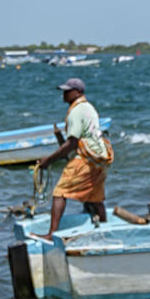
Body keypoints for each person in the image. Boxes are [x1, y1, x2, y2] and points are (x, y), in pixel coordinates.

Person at [37, 78, 112, 235]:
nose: (64, 94)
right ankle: (105, 230)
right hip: (99, 158)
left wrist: (48, 161)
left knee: (59, 192)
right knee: (95, 198)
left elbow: (71, 143)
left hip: (85, 159)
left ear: (77, 92)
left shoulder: (76, 112)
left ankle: (51, 234)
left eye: (67, 91)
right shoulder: (89, 107)